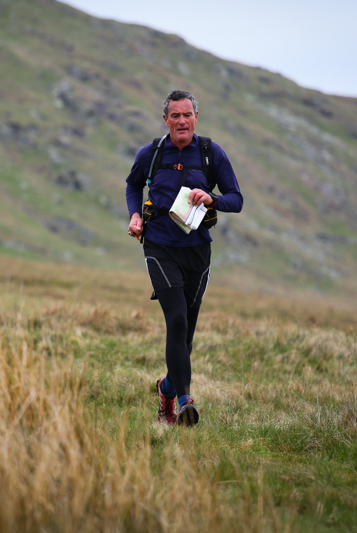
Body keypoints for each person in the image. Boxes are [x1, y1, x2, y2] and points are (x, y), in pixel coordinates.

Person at [125, 90, 243, 426]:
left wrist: (212, 198)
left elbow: (236, 199)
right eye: (175, 115)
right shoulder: (151, 153)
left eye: (187, 115)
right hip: (159, 246)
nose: (181, 121)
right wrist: (135, 215)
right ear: (166, 120)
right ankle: (184, 402)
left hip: (197, 250)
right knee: (176, 320)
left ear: (196, 118)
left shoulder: (210, 154)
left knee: (186, 336)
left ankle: (166, 387)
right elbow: (133, 186)